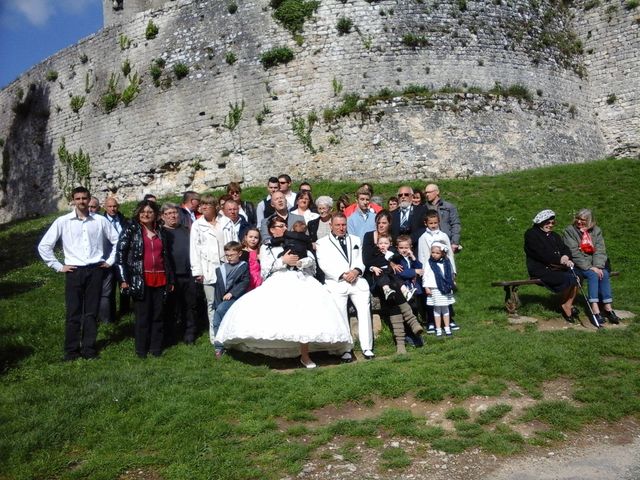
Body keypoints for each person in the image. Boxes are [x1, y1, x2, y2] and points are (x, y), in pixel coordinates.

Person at [216, 216, 353, 367]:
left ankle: (305, 354)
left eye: (284, 225)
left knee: (305, 313)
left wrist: (301, 262)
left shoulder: (297, 240)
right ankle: (284, 347)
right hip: (279, 279)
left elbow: (311, 260)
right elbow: (265, 270)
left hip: (301, 279)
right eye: (279, 226)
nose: (284, 228)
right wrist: (283, 261)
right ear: (272, 230)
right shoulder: (267, 246)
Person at [38, 186, 119, 361]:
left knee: (91, 312)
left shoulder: (99, 221)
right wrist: (58, 266)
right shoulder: (63, 221)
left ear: (89, 199)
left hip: (95, 270)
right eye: (78, 198)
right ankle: (71, 351)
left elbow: (117, 241)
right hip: (74, 271)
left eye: (84, 198)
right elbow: (44, 246)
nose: (81, 201)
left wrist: (110, 260)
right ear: (73, 200)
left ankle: (89, 349)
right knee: (73, 312)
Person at [116, 200, 174, 358]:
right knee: (143, 317)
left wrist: (171, 280)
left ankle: (156, 349)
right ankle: (141, 350)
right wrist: (123, 279)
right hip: (140, 278)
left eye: (149, 212)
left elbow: (167, 257)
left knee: (158, 315)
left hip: (160, 278)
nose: (146, 214)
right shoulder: (131, 230)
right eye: (143, 212)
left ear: (155, 214)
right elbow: (120, 256)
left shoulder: (161, 231)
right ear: (138, 213)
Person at [361, 211, 423, 354]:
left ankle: (401, 342)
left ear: (389, 224)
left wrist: (391, 263)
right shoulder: (369, 236)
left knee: (394, 293)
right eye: (379, 222)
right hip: (376, 278)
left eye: (384, 223)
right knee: (394, 290)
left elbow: (397, 259)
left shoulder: (391, 238)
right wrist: (388, 263)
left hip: (392, 278)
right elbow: (367, 260)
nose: (381, 225)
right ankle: (411, 326)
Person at [316, 213, 374, 360]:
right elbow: (324, 264)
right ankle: (345, 349)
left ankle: (367, 347)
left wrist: (355, 271)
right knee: (341, 315)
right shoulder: (322, 243)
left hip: (357, 281)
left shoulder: (355, 239)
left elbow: (361, 260)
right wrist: (343, 275)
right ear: (331, 226)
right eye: (338, 225)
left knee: (364, 313)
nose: (341, 228)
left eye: (343, 225)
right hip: (337, 283)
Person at [563, 209, 619, 325]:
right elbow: (574, 253)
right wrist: (589, 267)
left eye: (582, 220)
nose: (579, 222)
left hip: (595, 263)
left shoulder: (596, 231)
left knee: (604, 274)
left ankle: (608, 307)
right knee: (593, 275)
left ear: (589, 221)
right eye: (578, 219)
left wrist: (597, 266)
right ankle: (595, 309)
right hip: (579, 264)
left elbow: (600, 250)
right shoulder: (570, 231)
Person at [524, 209, 580, 324]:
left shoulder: (555, 235)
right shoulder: (531, 234)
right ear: (540, 222)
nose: (550, 225)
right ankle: (566, 306)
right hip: (541, 269)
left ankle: (566, 304)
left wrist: (565, 256)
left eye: (552, 223)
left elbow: (565, 249)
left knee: (578, 275)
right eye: (547, 222)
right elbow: (540, 253)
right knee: (572, 279)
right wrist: (559, 259)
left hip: (557, 267)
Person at [161, 202, 198, 345]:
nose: (172, 216)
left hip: (188, 274)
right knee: (170, 308)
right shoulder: (161, 233)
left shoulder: (186, 230)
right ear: (163, 216)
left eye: (174, 213)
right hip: (171, 276)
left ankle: (190, 334)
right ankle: (171, 335)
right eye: (169, 213)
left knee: (189, 306)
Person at [190, 196, 225, 345]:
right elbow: (194, 249)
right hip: (208, 268)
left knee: (226, 301)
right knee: (211, 304)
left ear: (215, 206)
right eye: (202, 205)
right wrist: (197, 271)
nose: (203, 207)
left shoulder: (226, 222)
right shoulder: (197, 225)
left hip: (225, 267)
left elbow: (234, 244)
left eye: (207, 205)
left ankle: (228, 332)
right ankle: (215, 336)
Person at [417, 209, 458, 333]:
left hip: (444, 270)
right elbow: (422, 256)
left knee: (445, 296)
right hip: (430, 272)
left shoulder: (443, 235)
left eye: (435, 223)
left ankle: (448, 321)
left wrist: (453, 273)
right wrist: (424, 274)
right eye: (431, 223)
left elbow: (450, 255)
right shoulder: (423, 238)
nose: (433, 225)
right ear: (426, 224)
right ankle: (432, 322)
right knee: (432, 298)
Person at [212, 242, 250, 357]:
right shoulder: (221, 268)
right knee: (218, 317)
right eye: (227, 255)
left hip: (235, 298)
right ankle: (219, 346)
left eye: (232, 255)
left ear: (239, 253)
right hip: (221, 300)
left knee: (220, 313)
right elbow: (218, 287)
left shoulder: (243, 266)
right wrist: (217, 302)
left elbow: (245, 282)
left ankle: (222, 345)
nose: (229, 257)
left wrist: (232, 293)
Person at [99, 197, 130, 323]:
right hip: (108, 258)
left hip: (123, 258)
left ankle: (125, 311)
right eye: (110, 206)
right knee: (108, 289)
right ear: (105, 207)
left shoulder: (124, 220)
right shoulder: (101, 221)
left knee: (125, 285)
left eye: (115, 206)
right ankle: (108, 316)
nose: (113, 209)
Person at [422, 242, 456, 337]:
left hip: (445, 287)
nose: (434, 255)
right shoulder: (429, 262)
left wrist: (452, 282)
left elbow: (450, 273)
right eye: (433, 252)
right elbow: (425, 275)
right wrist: (426, 287)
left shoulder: (446, 262)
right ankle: (438, 328)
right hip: (434, 288)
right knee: (436, 309)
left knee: (445, 308)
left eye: (437, 253)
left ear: (442, 253)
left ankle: (447, 327)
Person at [424, 184, 461, 253]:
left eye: (429, 192)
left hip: (446, 242)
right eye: (426, 193)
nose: (427, 195)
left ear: (437, 192)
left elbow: (455, 224)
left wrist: (455, 242)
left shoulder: (449, 207)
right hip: (429, 242)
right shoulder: (424, 208)